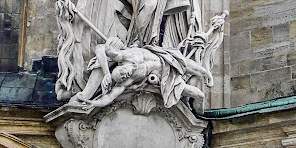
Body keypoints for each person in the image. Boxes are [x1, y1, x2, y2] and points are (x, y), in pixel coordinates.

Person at [78, 38, 209, 108]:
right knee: (198, 95)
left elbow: (100, 48)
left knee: (202, 72)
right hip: (167, 78)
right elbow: (109, 97)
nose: (126, 74)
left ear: (120, 66)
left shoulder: (124, 56)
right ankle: (199, 112)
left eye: (122, 72)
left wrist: (106, 73)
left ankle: (205, 76)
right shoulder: (128, 80)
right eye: (124, 76)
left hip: (167, 58)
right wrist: (93, 103)